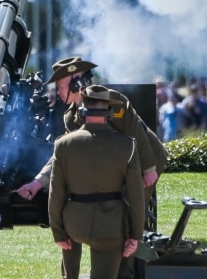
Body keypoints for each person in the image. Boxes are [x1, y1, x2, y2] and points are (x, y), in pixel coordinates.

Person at [17, 56, 167, 279]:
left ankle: (123, 274)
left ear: (77, 84)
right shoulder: (72, 115)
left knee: (125, 220)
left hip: (147, 161)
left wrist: (148, 169)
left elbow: (136, 132)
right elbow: (63, 153)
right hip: (117, 164)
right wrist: (38, 181)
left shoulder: (110, 101)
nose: (57, 92)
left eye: (61, 86)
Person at [49, 84, 144, 279]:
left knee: (70, 274)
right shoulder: (127, 146)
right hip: (110, 227)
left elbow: (56, 192)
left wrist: (59, 232)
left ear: (82, 111)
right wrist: (135, 236)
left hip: (74, 224)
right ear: (108, 112)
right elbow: (136, 196)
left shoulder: (63, 144)